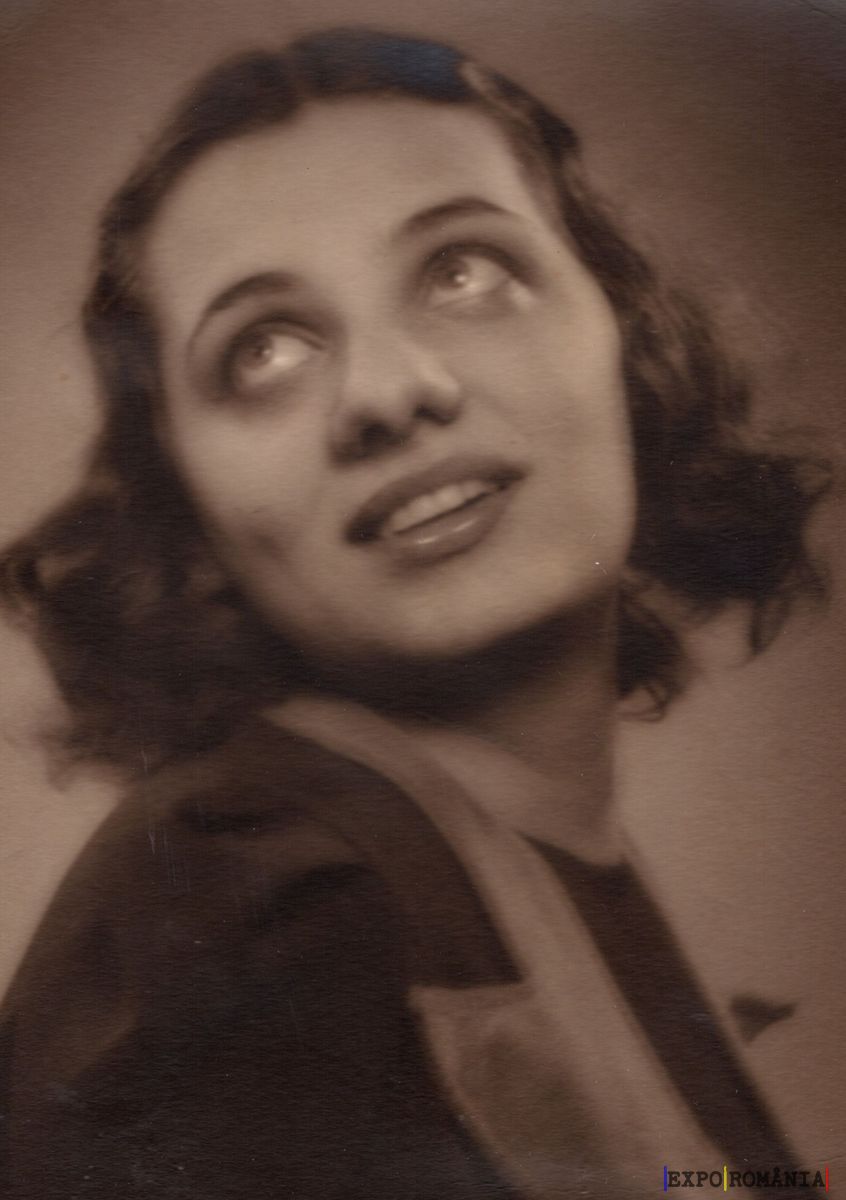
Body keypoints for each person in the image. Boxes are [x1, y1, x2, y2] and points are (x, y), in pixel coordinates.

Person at [0, 26, 827, 1200]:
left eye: (463, 273)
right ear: (183, 499)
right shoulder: (275, 907)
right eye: (264, 349)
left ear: (626, 336)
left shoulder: (536, 861)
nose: (390, 393)